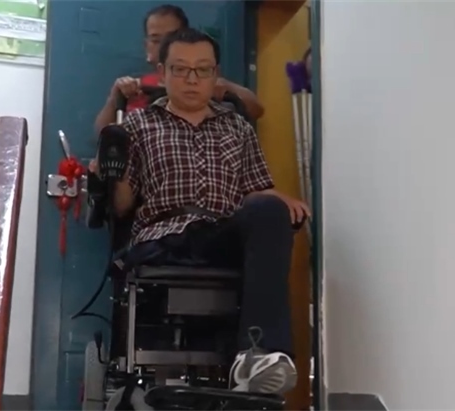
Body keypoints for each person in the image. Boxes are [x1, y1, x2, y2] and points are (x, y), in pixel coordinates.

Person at [111, 28, 310, 394]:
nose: (192, 79)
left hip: (221, 231)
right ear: (163, 72)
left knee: (268, 211)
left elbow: (256, 189)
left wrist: (279, 204)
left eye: (202, 70)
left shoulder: (237, 127)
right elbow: (122, 206)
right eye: (181, 69)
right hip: (166, 236)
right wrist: (112, 170)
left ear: (215, 74)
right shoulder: (138, 126)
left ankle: (259, 355)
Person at [92, 4, 264, 133]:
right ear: (147, 46)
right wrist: (115, 97)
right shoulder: (135, 88)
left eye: (171, 37)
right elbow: (103, 134)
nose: (163, 45)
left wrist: (227, 87)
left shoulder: (204, 83)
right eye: (156, 40)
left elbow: (255, 110)